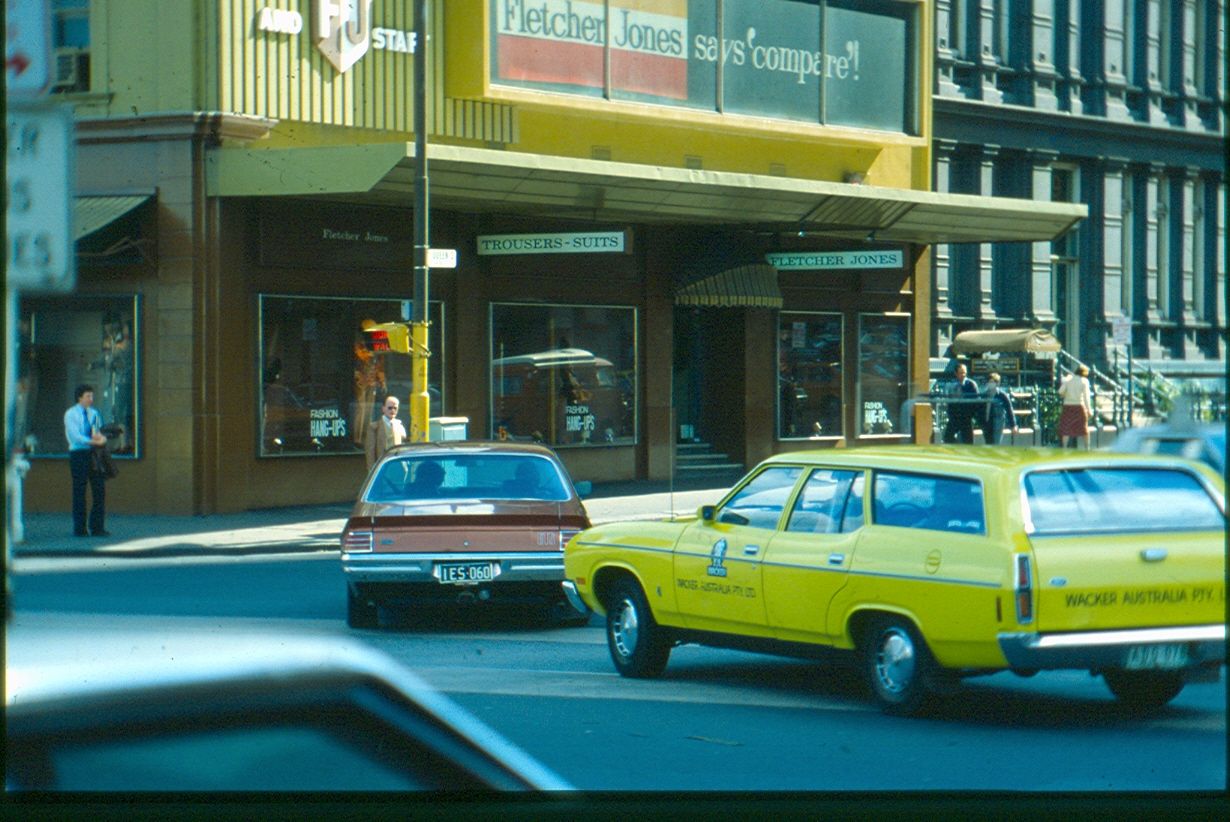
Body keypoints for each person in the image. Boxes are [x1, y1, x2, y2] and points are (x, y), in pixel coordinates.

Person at [64, 384, 109, 537]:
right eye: (88, 396)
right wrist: (93, 441)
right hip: (78, 454)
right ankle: (80, 528)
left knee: (99, 490)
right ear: (79, 398)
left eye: (92, 396)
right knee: (79, 491)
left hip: (94, 455)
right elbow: (75, 436)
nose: (91, 399)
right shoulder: (71, 414)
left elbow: (98, 431)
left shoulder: (94, 413)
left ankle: (97, 527)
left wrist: (101, 438)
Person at [942, 362, 980, 444]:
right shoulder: (952, 385)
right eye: (960, 373)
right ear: (956, 374)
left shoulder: (971, 384)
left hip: (966, 417)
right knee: (948, 437)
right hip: (955, 416)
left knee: (968, 440)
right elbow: (949, 400)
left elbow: (977, 401)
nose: (963, 375)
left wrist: (972, 414)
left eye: (964, 373)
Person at [1058, 364, 1094, 449]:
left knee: (1066, 428)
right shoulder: (1084, 381)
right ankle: (1087, 448)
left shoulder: (1068, 380)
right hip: (1079, 406)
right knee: (1084, 428)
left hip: (1067, 406)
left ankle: (1064, 447)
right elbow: (1086, 397)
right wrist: (1089, 410)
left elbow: (1060, 391)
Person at [366, 394, 406, 470]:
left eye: (395, 408)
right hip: (383, 467)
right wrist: (372, 470)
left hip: (398, 466)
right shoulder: (374, 427)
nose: (392, 410)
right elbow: (370, 452)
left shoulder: (399, 425)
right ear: (383, 409)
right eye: (390, 408)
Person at [982, 372, 1019, 445]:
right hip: (987, 422)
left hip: (998, 422)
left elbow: (1009, 409)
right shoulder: (984, 395)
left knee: (996, 442)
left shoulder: (1002, 395)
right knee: (988, 442)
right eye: (989, 382)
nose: (990, 384)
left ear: (997, 383)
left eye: (992, 382)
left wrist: (1013, 425)